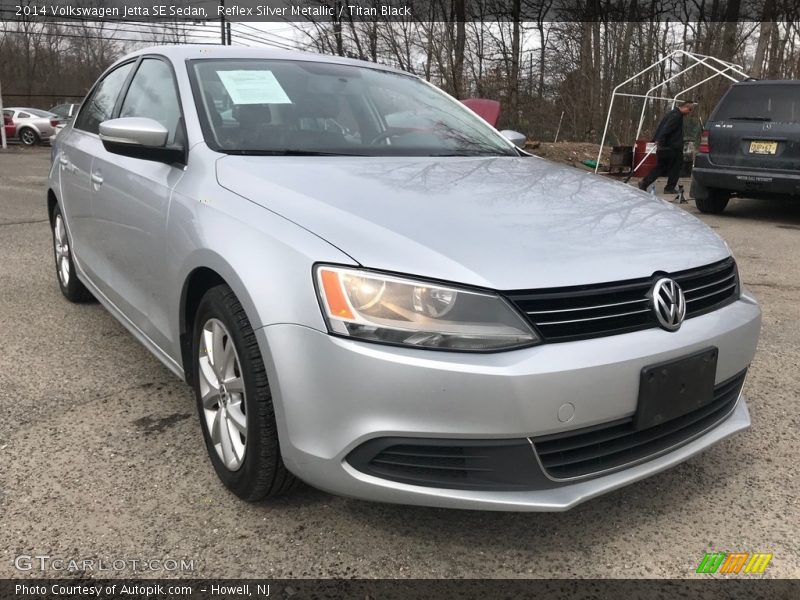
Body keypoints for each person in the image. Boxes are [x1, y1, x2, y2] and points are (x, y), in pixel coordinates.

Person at [638, 100, 695, 193]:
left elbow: (663, 127)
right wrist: (659, 140)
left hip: (665, 145)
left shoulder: (672, 114)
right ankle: (669, 187)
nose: (689, 113)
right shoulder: (676, 116)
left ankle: (645, 182)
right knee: (676, 167)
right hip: (671, 146)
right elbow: (666, 129)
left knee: (661, 166)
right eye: (690, 110)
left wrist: (658, 140)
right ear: (685, 107)